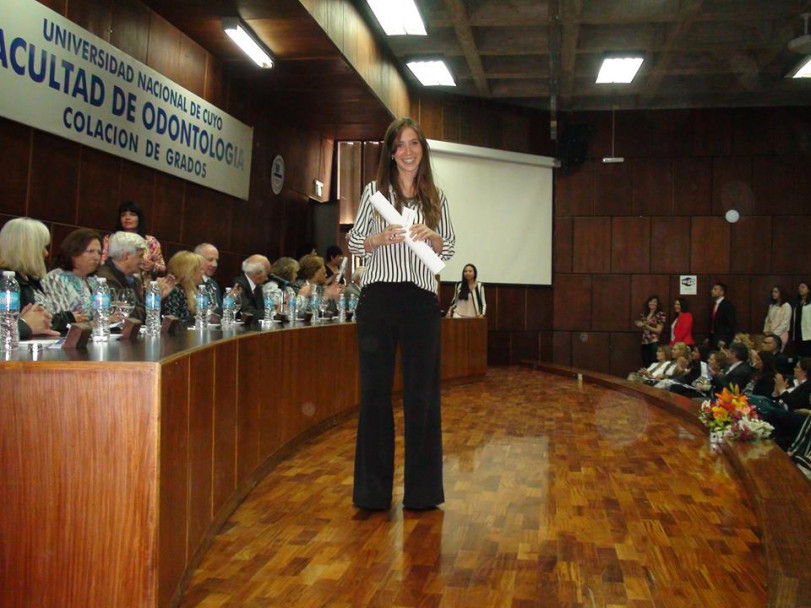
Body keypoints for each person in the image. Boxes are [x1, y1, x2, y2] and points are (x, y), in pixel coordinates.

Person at [347, 117, 455, 511]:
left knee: (422, 398)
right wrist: (376, 238)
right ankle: (373, 495)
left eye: (414, 144)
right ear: (391, 153)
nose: (408, 152)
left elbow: (450, 249)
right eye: (400, 145)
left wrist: (435, 237)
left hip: (422, 304)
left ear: (422, 149)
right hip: (378, 301)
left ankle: (423, 494)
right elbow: (355, 243)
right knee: (375, 396)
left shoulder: (436, 197)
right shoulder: (375, 193)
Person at [0, 218, 59, 338]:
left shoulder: (31, 280)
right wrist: (25, 324)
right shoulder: (5, 282)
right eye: (42, 247)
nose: (46, 253)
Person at [38, 228, 102, 326]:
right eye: (91, 251)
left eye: (99, 253)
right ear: (73, 252)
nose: (96, 257)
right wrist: (99, 323)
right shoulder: (56, 278)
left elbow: (103, 313)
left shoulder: (94, 281)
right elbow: (63, 321)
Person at [101, 200, 166, 277]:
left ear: (139, 218)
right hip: (114, 280)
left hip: (143, 285)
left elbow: (163, 268)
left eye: (132, 214)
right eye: (123, 215)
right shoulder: (110, 239)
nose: (127, 218)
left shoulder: (150, 241)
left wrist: (153, 266)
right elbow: (102, 262)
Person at [95, 232, 148, 322]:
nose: (143, 261)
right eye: (140, 256)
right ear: (126, 256)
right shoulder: (105, 279)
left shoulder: (133, 279)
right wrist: (153, 300)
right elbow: (125, 316)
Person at [161, 251, 205, 324]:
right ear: (190, 272)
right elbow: (172, 321)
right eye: (201, 269)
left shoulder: (192, 290)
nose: (203, 272)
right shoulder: (175, 291)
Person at [232, 254, 270, 319]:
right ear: (258, 273)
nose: (267, 278)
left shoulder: (257, 287)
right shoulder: (239, 285)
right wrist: (272, 314)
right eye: (266, 274)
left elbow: (260, 309)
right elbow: (248, 312)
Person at [634, 295, 666, 367]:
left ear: (658, 304)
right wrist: (641, 325)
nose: (652, 303)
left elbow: (659, 330)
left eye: (655, 302)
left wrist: (645, 326)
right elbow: (644, 329)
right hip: (644, 342)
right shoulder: (644, 314)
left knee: (653, 364)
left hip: (653, 342)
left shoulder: (660, 314)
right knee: (646, 364)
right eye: (651, 301)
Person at [195, 243, 222, 315]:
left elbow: (218, 312)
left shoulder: (213, 284)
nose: (215, 264)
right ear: (198, 260)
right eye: (210, 260)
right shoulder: (190, 283)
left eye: (216, 261)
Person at [707, 282, 735, 348]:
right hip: (712, 337)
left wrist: (724, 339)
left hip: (721, 339)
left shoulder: (727, 305)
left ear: (722, 292)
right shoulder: (713, 305)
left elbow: (730, 324)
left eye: (715, 289)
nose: (712, 291)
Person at [763, 285, 791, 349]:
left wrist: (775, 333)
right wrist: (766, 331)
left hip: (781, 334)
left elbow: (785, 322)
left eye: (776, 292)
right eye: (773, 292)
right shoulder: (772, 305)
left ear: (781, 293)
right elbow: (767, 319)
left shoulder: (786, 306)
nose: (773, 294)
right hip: (770, 333)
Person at [792, 281, 811, 358]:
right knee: (799, 354)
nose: (800, 289)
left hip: (808, 334)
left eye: (803, 287)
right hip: (798, 333)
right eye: (799, 287)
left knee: (807, 355)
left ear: (808, 290)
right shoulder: (798, 303)